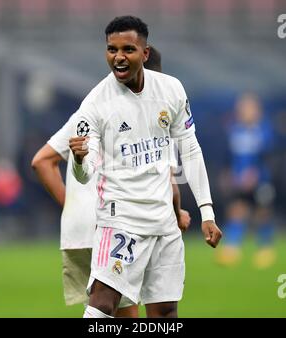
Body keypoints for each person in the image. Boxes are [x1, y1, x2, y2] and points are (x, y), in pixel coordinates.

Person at [69, 15, 222, 318]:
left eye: (128, 49)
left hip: (164, 223)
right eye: (112, 50)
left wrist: (207, 211)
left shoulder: (171, 90)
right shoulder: (95, 105)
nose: (119, 57)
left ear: (145, 53)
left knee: (165, 312)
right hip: (121, 219)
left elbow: (189, 149)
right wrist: (79, 159)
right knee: (103, 305)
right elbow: (86, 173)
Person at [31, 45, 191, 318]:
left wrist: (75, 210)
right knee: (125, 310)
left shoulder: (89, 110)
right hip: (121, 223)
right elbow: (165, 177)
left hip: (85, 230)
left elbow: (41, 160)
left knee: (117, 313)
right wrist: (176, 214)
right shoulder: (138, 112)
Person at [217, 93, 276, 269]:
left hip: (260, 180)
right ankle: (232, 249)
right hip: (239, 181)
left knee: (262, 213)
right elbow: (228, 156)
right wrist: (228, 174)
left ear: (257, 110)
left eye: (249, 108)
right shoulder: (234, 130)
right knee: (236, 211)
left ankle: (265, 250)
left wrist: (256, 173)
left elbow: (270, 156)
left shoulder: (264, 130)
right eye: (242, 108)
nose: (245, 111)